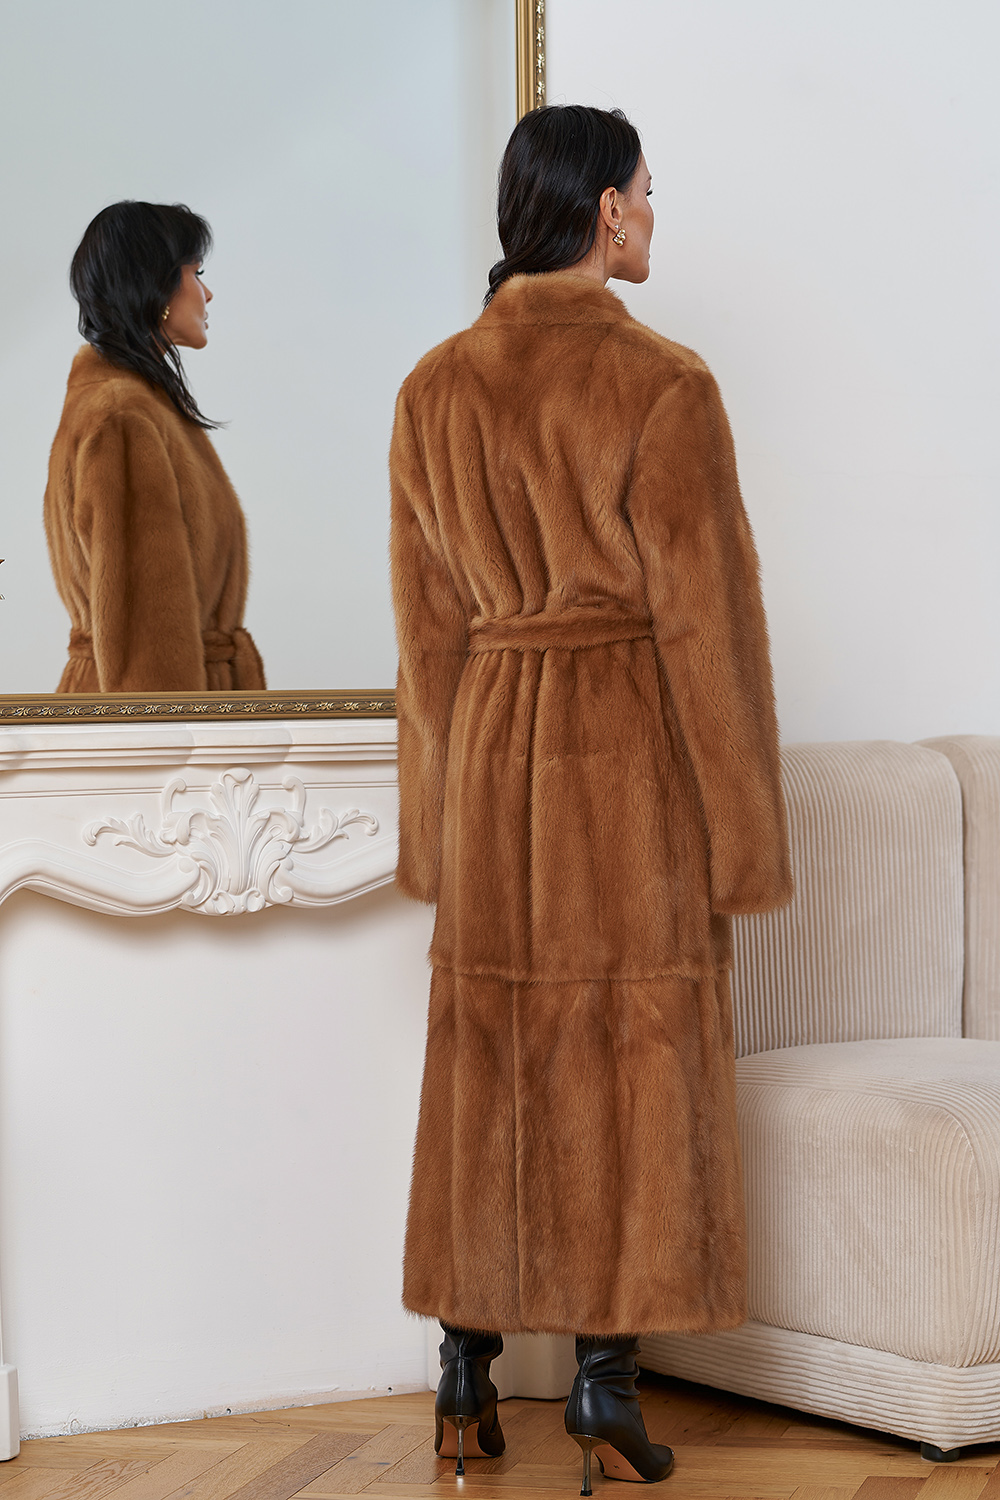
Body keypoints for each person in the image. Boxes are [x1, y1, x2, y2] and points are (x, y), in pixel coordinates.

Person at [390, 105, 792, 1491]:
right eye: (648, 191)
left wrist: (436, 826)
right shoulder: (663, 384)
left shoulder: (432, 388)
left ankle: (464, 1373)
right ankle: (605, 1389)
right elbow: (709, 628)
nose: (656, 214)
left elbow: (425, 638)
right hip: (623, 754)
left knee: (491, 1057)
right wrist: (742, 838)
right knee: (633, 1057)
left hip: (492, 751)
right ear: (606, 211)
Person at [44, 201, 265, 693]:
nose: (208, 292)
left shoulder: (133, 408)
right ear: (156, 285)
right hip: (161, 717)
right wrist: (175, 736)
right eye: (196, 273)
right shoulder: (123, 418)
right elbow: (148, 634)